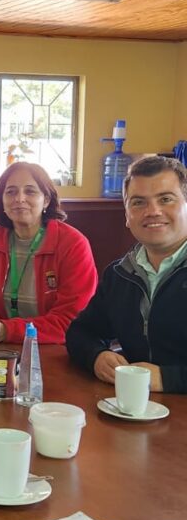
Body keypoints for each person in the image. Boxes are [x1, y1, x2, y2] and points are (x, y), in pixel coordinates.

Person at [67, 155, 187, 393]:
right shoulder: (119, 274)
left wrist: (166, 378)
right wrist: (97, 356)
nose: (153, 211)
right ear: (126, 216)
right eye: (138, 202)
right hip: (134, 411)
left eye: (165, 199)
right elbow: (80, 333)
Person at [0, 162, 97, 344]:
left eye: (30, 191)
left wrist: (7, 330)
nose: (19, 199)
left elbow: (70, 320)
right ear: (1, 200)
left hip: (57, 350)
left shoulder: (73, 244)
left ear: (47, 200)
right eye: (10, 192)